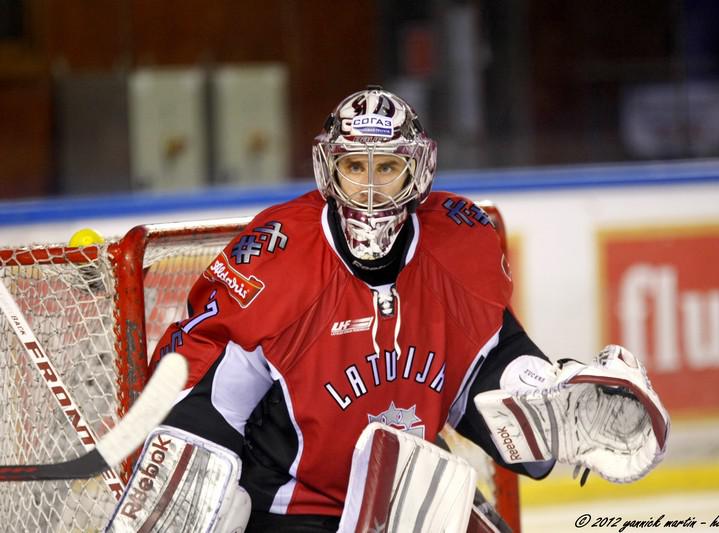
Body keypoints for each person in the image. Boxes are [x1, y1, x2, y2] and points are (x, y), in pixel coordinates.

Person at [106, 86, 668, 532]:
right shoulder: (278, 256)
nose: (370, 189)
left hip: (402, 498)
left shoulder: (458, 244)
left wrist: (546, 403)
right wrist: (195, 476)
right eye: (355, 167)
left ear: (415, 172)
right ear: (331, 170)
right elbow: (210, 383)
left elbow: (484, 369)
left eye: (386, 169)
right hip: (289, 510)